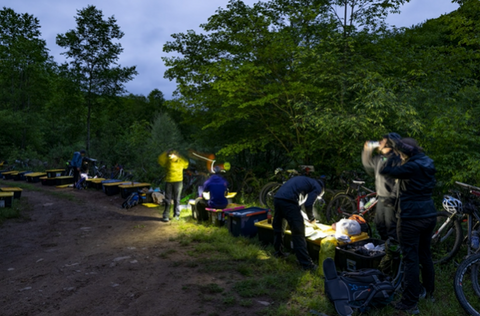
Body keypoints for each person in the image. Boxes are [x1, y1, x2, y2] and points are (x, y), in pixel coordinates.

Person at [380, 137, 437, 315]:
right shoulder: (427, 162)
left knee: (410, 258)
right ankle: (428, 293)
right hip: (429, 214)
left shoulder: (411, 166)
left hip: (411, 217)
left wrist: (390, 154)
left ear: (405, 152)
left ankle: (409, 302)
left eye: (399, 153)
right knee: (425, 255)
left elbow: (385, 170)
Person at [273, 176, 324, 270]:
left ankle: (278, 253)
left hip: (278, 198)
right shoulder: (318, 187)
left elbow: (299, 205)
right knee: (298, 231)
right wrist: (311, 218)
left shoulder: (307, 181)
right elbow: (308, 204)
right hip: (289, 201)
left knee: (279, 227)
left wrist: (304, 216)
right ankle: (306, 264)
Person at [361, 133, 401, 240]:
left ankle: (394, 253)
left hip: (392, 199)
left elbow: (400, 181)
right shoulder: (380, 158)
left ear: (390, 144)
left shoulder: (397, 160)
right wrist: (367, 150)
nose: (379, 142)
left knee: (391, 227)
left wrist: (393, 197)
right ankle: (386, 247)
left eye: (382, 141)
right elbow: (368, 165)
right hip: (381, 197)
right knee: (379, 225)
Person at [158, 149, 189, 222]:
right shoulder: (167, 161)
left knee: (177, 199)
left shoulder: (181, 161)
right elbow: (160, 160)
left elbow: (186, 164)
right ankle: (166, 216)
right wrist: (166, 152)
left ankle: (176, 215)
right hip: (169, 181)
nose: (172, 156)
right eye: (171, 154)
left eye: (174, 154)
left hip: (178, 182)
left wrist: (180, 157)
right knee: (167, 199)